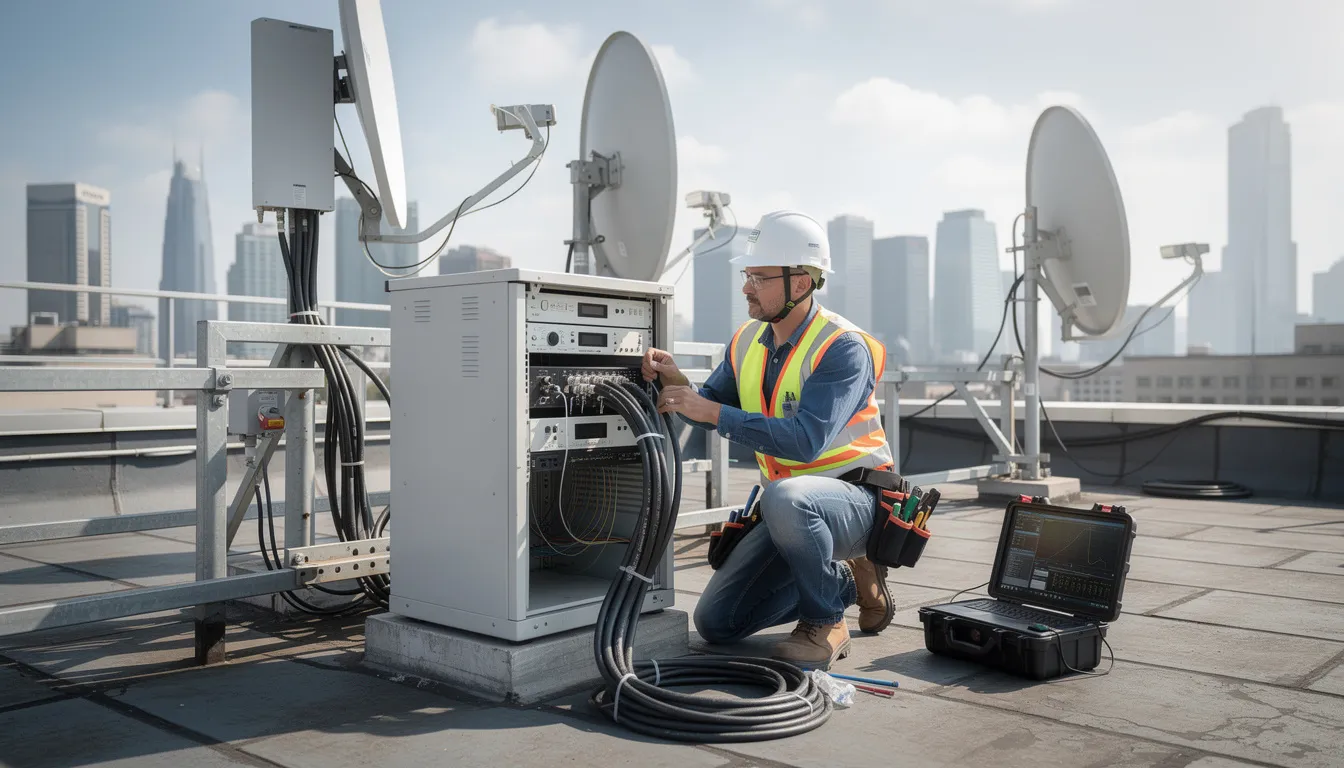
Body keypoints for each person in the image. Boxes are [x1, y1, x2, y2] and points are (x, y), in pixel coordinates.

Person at [643, 209, 896, 669]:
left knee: (786, 496)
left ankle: (826, 620)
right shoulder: (745, 342)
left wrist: (714, 411)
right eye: (747, 275)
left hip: (859, 501)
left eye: (759, 277)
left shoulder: (844, 347)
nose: (746, 288)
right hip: (791, 509)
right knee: (717, 622)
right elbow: (710, 412)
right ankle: (841, 580)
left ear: (800, 284)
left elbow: (805, 442)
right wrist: (677, 386)